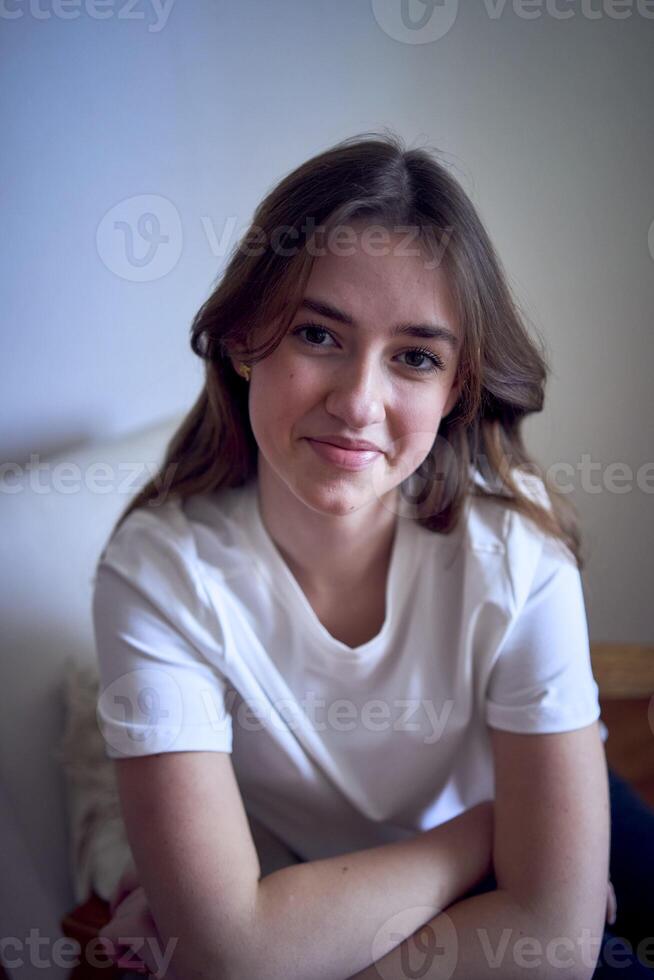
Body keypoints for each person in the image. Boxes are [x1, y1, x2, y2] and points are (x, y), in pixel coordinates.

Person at [92, 131, 653, 979]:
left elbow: (552, 944)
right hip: (466, 844)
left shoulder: (516, 550)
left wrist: (540, 878)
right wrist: (490, 836)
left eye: (416, 357)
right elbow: (230, 956)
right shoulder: (158, 572)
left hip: (538, 794)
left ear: (456, 388)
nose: (359, 403)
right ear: (247, 339)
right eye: (319, 336)